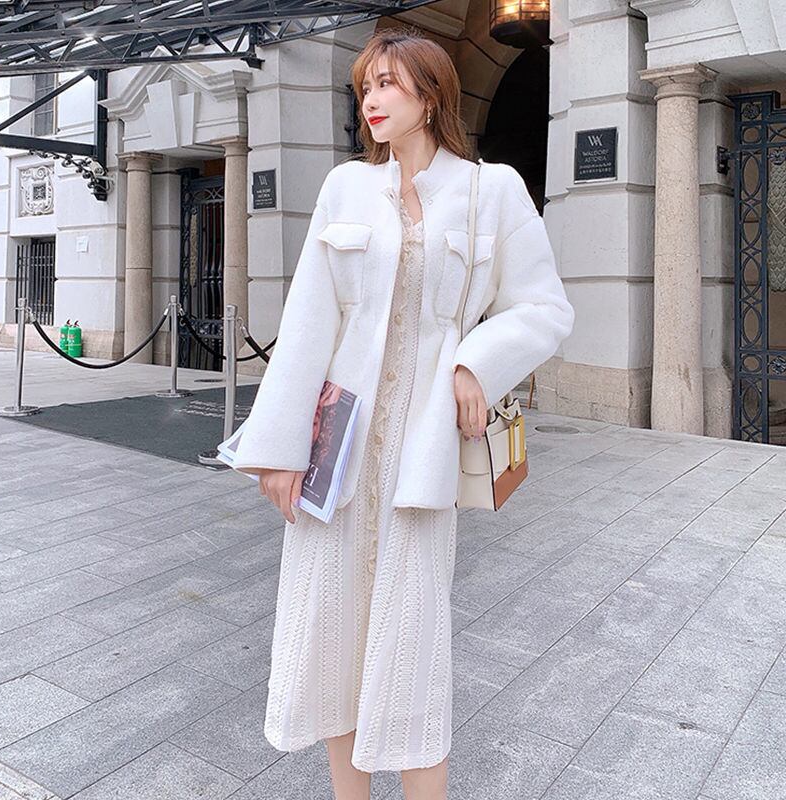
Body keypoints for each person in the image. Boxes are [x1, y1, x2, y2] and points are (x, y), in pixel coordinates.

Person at [231, 26, 575, 800]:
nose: (372, 100)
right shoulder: (345, 189)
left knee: (412, 649)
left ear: (432, 93)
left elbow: (545, 309)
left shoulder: (493, 192)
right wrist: (279, 449)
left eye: (387, 83)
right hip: (338, 450)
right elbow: (309, 321)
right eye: (365, 87)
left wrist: (474, 361)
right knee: (331, 642)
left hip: (419, 460)